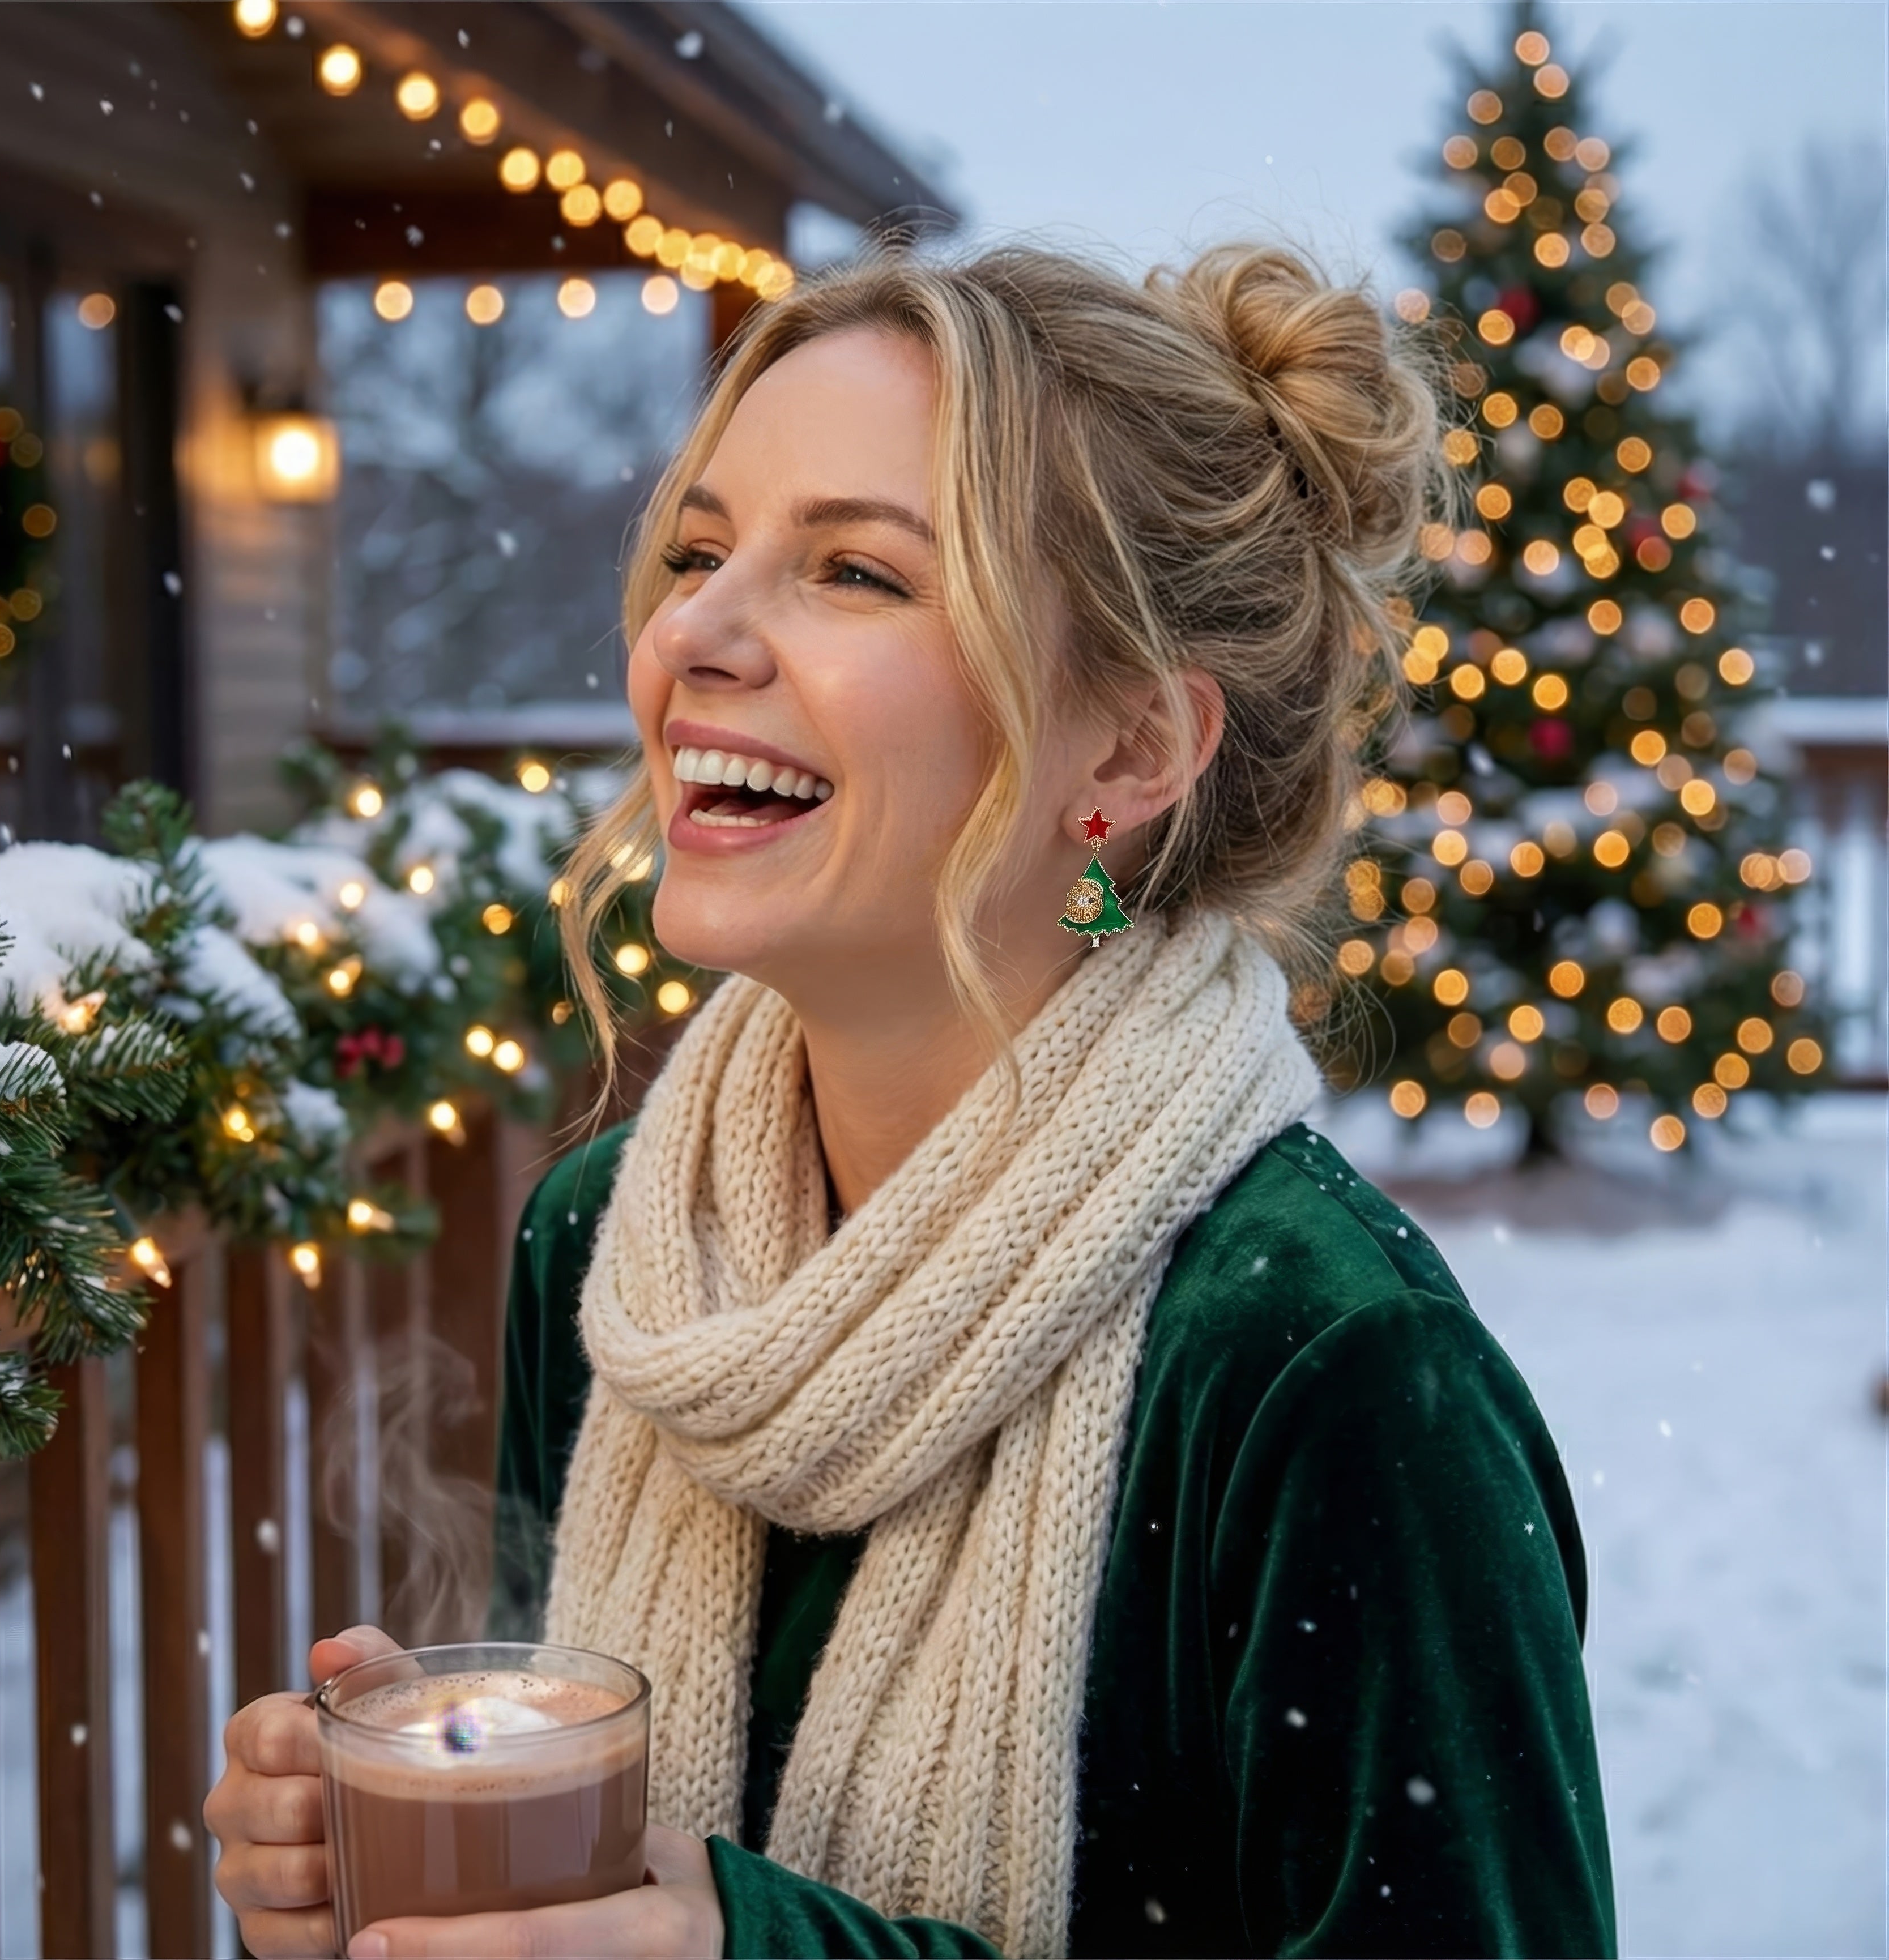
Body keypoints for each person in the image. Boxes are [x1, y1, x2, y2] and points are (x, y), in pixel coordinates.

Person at [205, 240, 1618, 1959]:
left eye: (857, 574)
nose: (691, 636)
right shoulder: (619, 1247)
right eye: (701, 551)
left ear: (1127, 754)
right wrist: (395, 1888)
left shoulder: (1325, 1366)